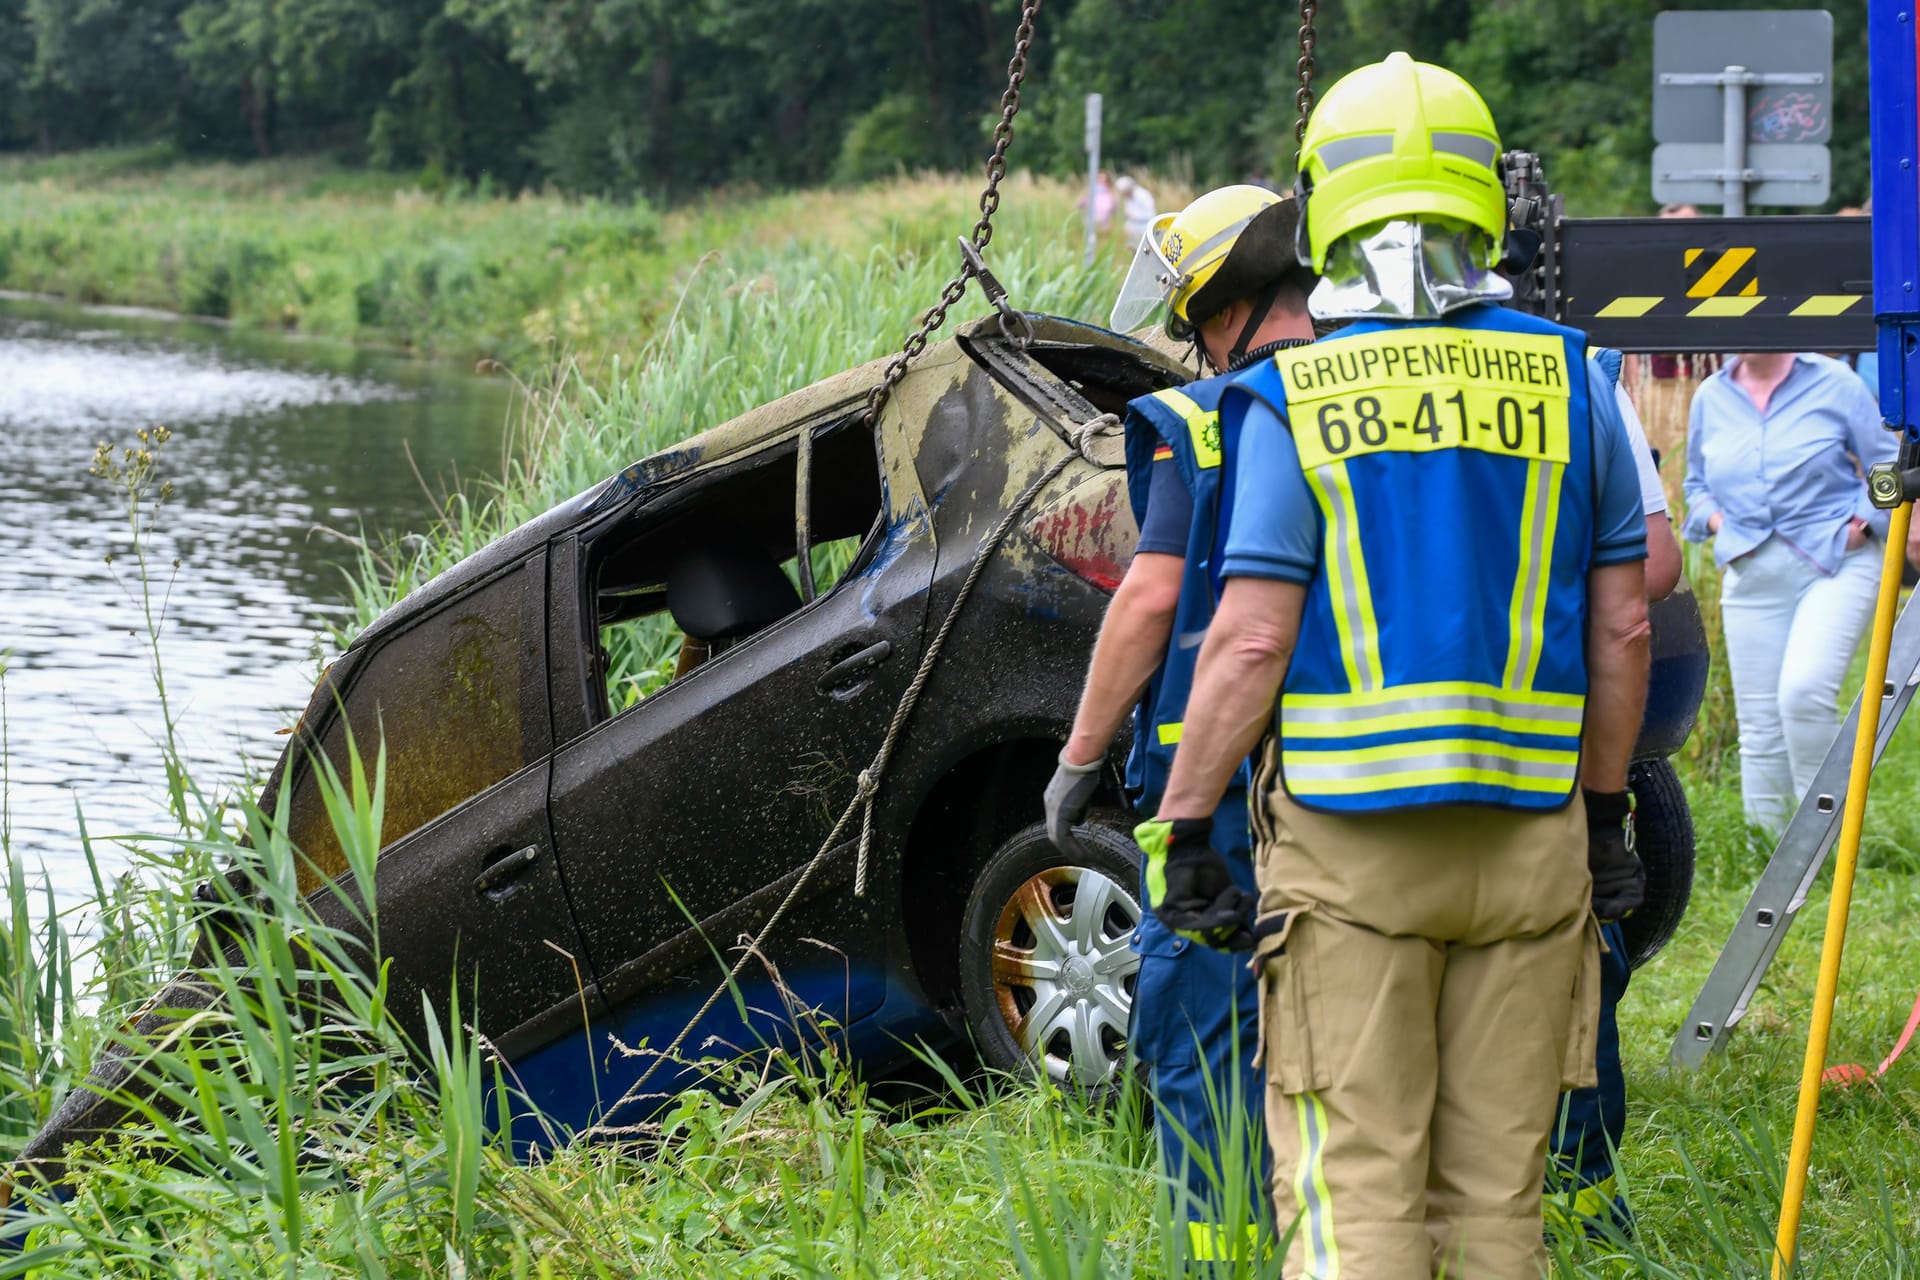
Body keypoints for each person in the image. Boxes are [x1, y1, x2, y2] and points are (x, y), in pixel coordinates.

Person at [1138, 52, 1651, 1277]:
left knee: (1353, 1184)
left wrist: (1189, 819)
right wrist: (1609, 812)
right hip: (1532, 848)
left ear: (1322, 207)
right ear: (1484, 193)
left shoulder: (1292, 394)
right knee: (1493, 1203)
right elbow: (1625, 624)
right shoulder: (1578, 377)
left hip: (1351, 861)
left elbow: (1252, 637)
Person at [1046, 183, 1318, 1264]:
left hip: (1221, 778)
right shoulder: (1366, 392)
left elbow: (1153, 597)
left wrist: (1076, 758)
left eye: (1193, 319)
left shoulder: (1201, 420)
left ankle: (1214, 1245)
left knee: (1198, 1022)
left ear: (1220, 304)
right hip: (1352, 769)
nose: (1190, 343)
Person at [1682, 350, 1898, 829]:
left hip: (1836, 558)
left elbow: (1888, 464)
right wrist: (1718, 521)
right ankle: (1767, 849)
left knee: (1802, 692)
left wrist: (1862, 522)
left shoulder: (1835, 381)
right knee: (1759, 725)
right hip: (1752, 567)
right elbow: (1695, 485)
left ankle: (1825, 840)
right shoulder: (1710, 395)